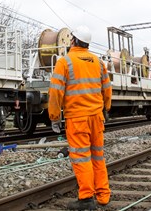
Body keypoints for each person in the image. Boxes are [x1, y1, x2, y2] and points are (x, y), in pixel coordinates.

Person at [48, 26, 112, 210]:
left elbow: (55, 92)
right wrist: (106, 107)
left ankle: (86, 199)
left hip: (77, 119)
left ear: (73, 41)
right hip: (96, 117)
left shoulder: (64, 62)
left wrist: (54, 116)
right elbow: (107, 89)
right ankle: (103, 196)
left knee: (81, 157)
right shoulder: (98, 62)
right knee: (97, 156)